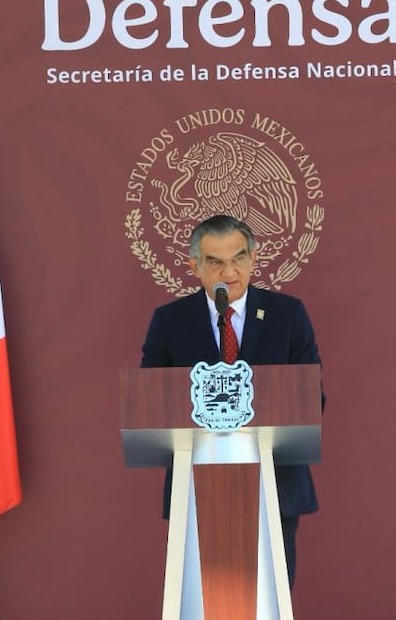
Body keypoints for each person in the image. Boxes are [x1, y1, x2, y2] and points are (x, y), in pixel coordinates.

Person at [140, 214, 324, 587]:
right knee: (202, 598)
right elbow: (151, 404)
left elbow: (311, 398)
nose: (229, 271)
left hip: (275, 483)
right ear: (195, 266)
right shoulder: (170, 321)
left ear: (254, 259)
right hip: (196, 486)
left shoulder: (287, 315)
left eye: (239, 258)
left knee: (270, 596)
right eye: (215, 261)